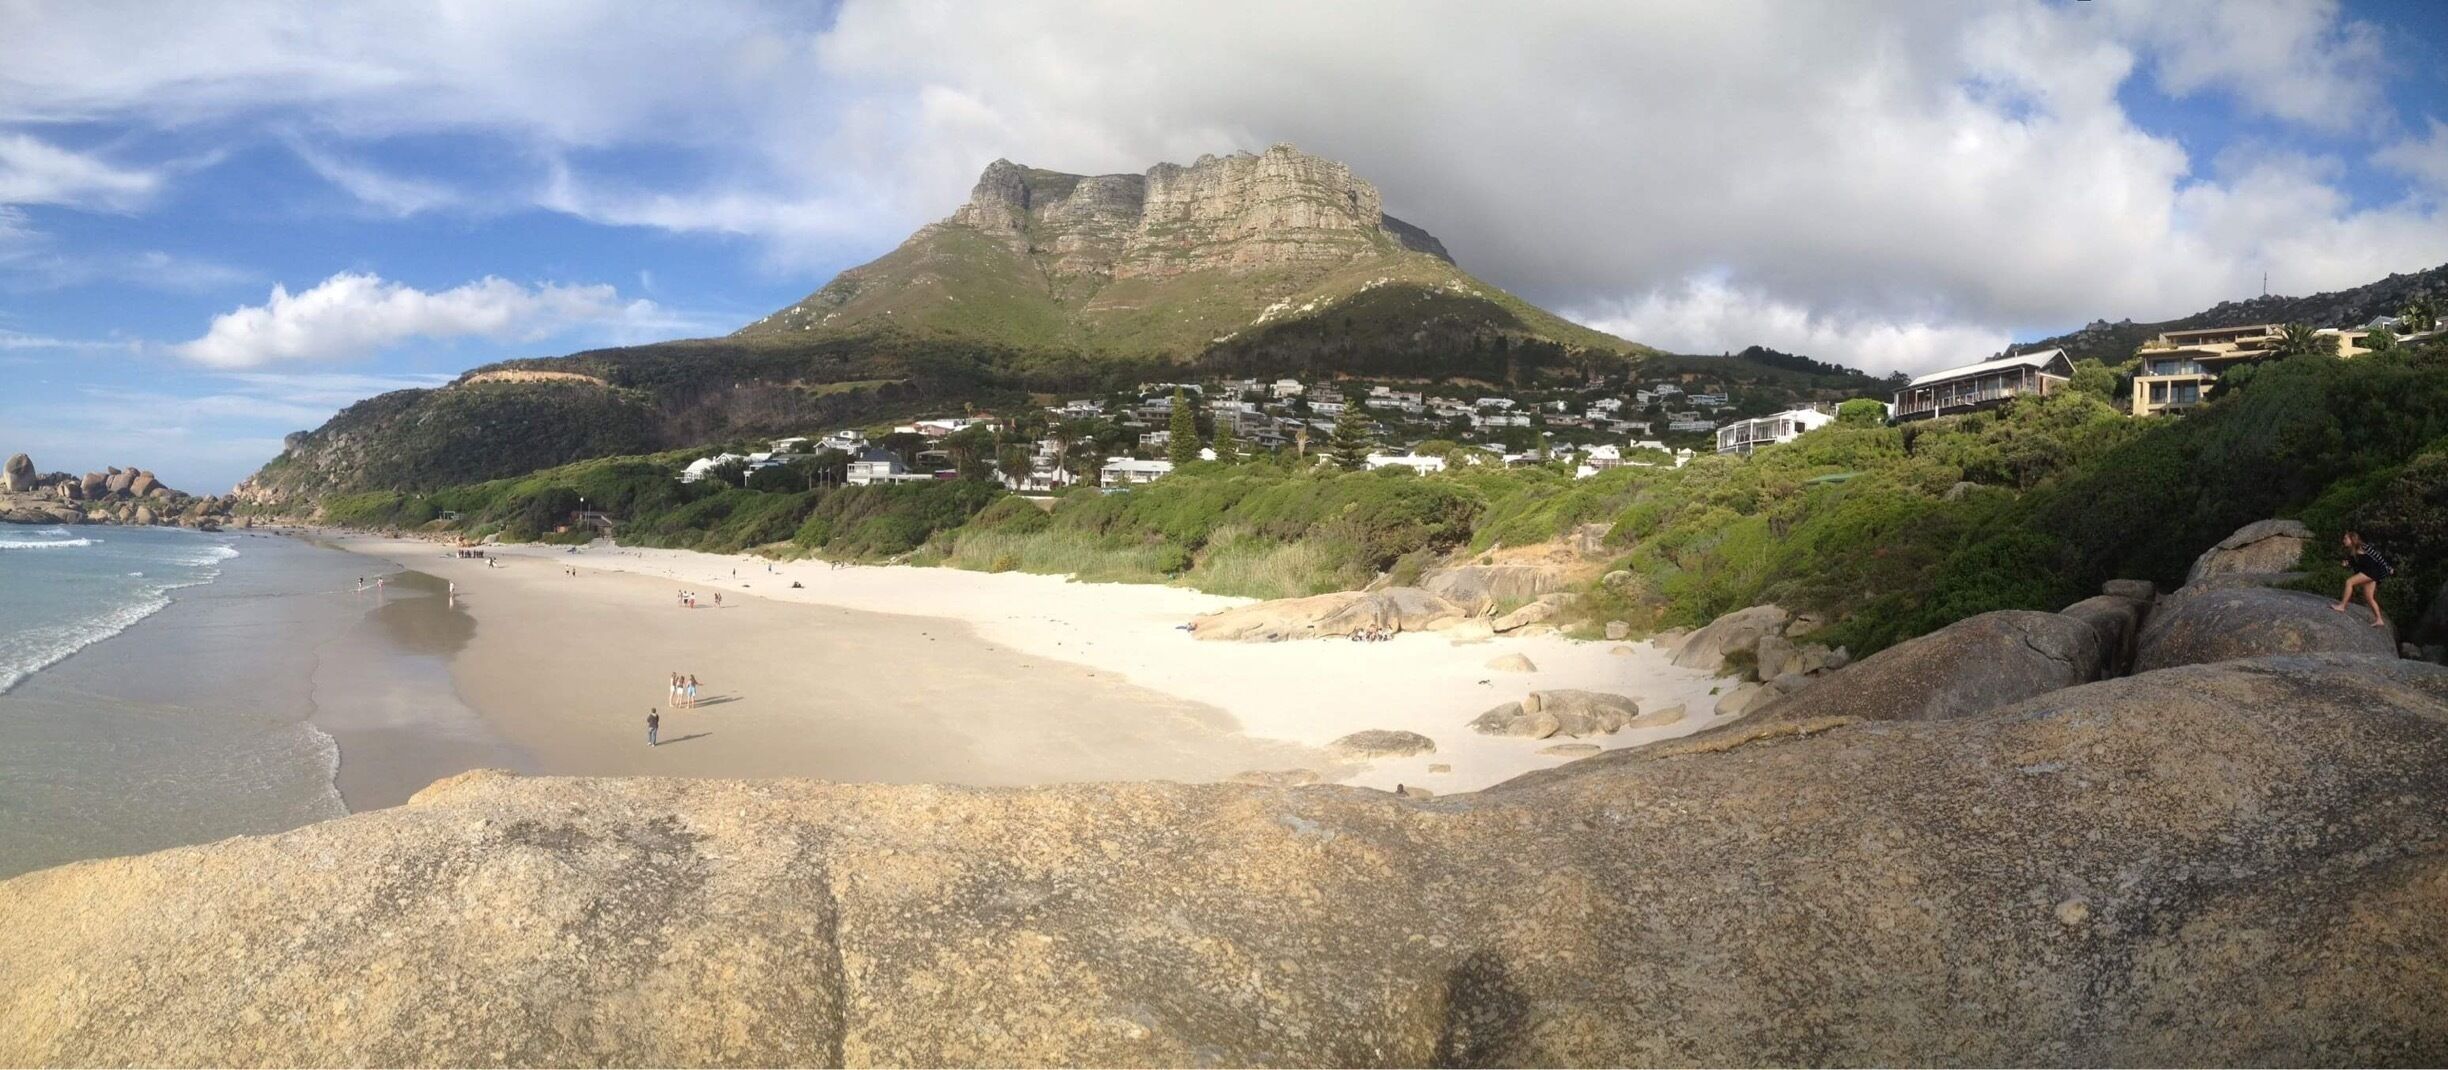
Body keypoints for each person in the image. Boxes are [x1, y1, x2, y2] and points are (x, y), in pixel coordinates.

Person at [2335, 530, 2393, 629]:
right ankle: (2379, 620)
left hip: (2371, 572)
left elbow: (2378, 557)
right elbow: (2355, 564)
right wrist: (2347, 564)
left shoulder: (2364, 547)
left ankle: (2342, 606)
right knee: (2369, 597)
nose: (2343, 540)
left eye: (2345, 538)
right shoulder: (2351, 551)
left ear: (2352, 539)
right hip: (2368, 573)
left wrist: (2388, 568)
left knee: (2349, 582)